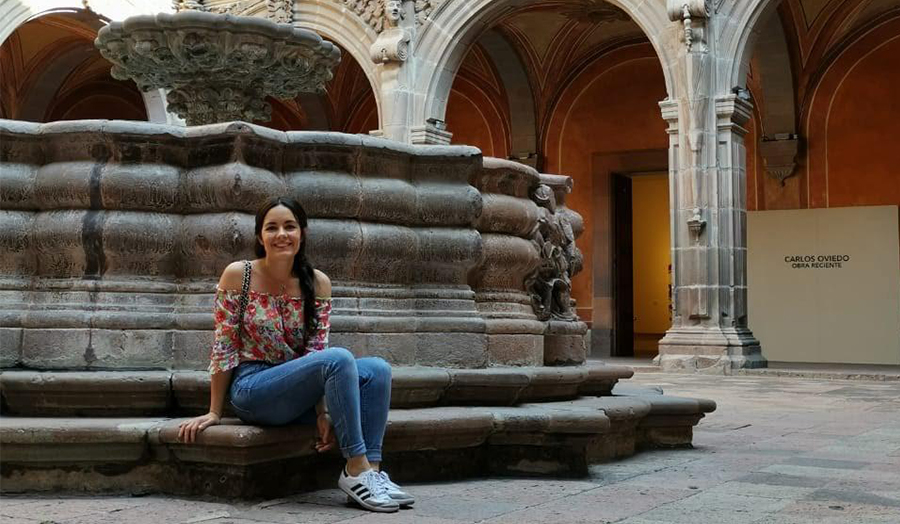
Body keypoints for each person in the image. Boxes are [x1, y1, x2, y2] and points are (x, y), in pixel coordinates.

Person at [177, 196, 413, 513]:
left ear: (302, 233)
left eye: (289, 226)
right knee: (339, 358)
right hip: (253, 389)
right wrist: (214, 412)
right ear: (260, 236)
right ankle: (355, 467)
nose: (281, 234)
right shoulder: (239, 275)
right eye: (271, 228)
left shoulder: (317, 283)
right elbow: (224, 345)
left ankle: (372, 471)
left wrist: (323, 412)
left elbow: (316, 352)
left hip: (297, 390)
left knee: (377, 370)